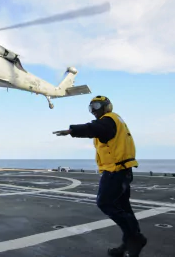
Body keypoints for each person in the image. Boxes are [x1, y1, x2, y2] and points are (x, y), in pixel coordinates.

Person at [54, 95, 147, 257]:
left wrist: (72, 131)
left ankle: (135, 237)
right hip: (122, 170)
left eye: (96, 106)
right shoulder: (115, 120)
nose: (93, 111)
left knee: (104, 203)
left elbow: (93, 128)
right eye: (91, 108)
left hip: (116, 171)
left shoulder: (108, 120)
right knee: (123, 207)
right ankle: (129, 242)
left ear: (106, 106)